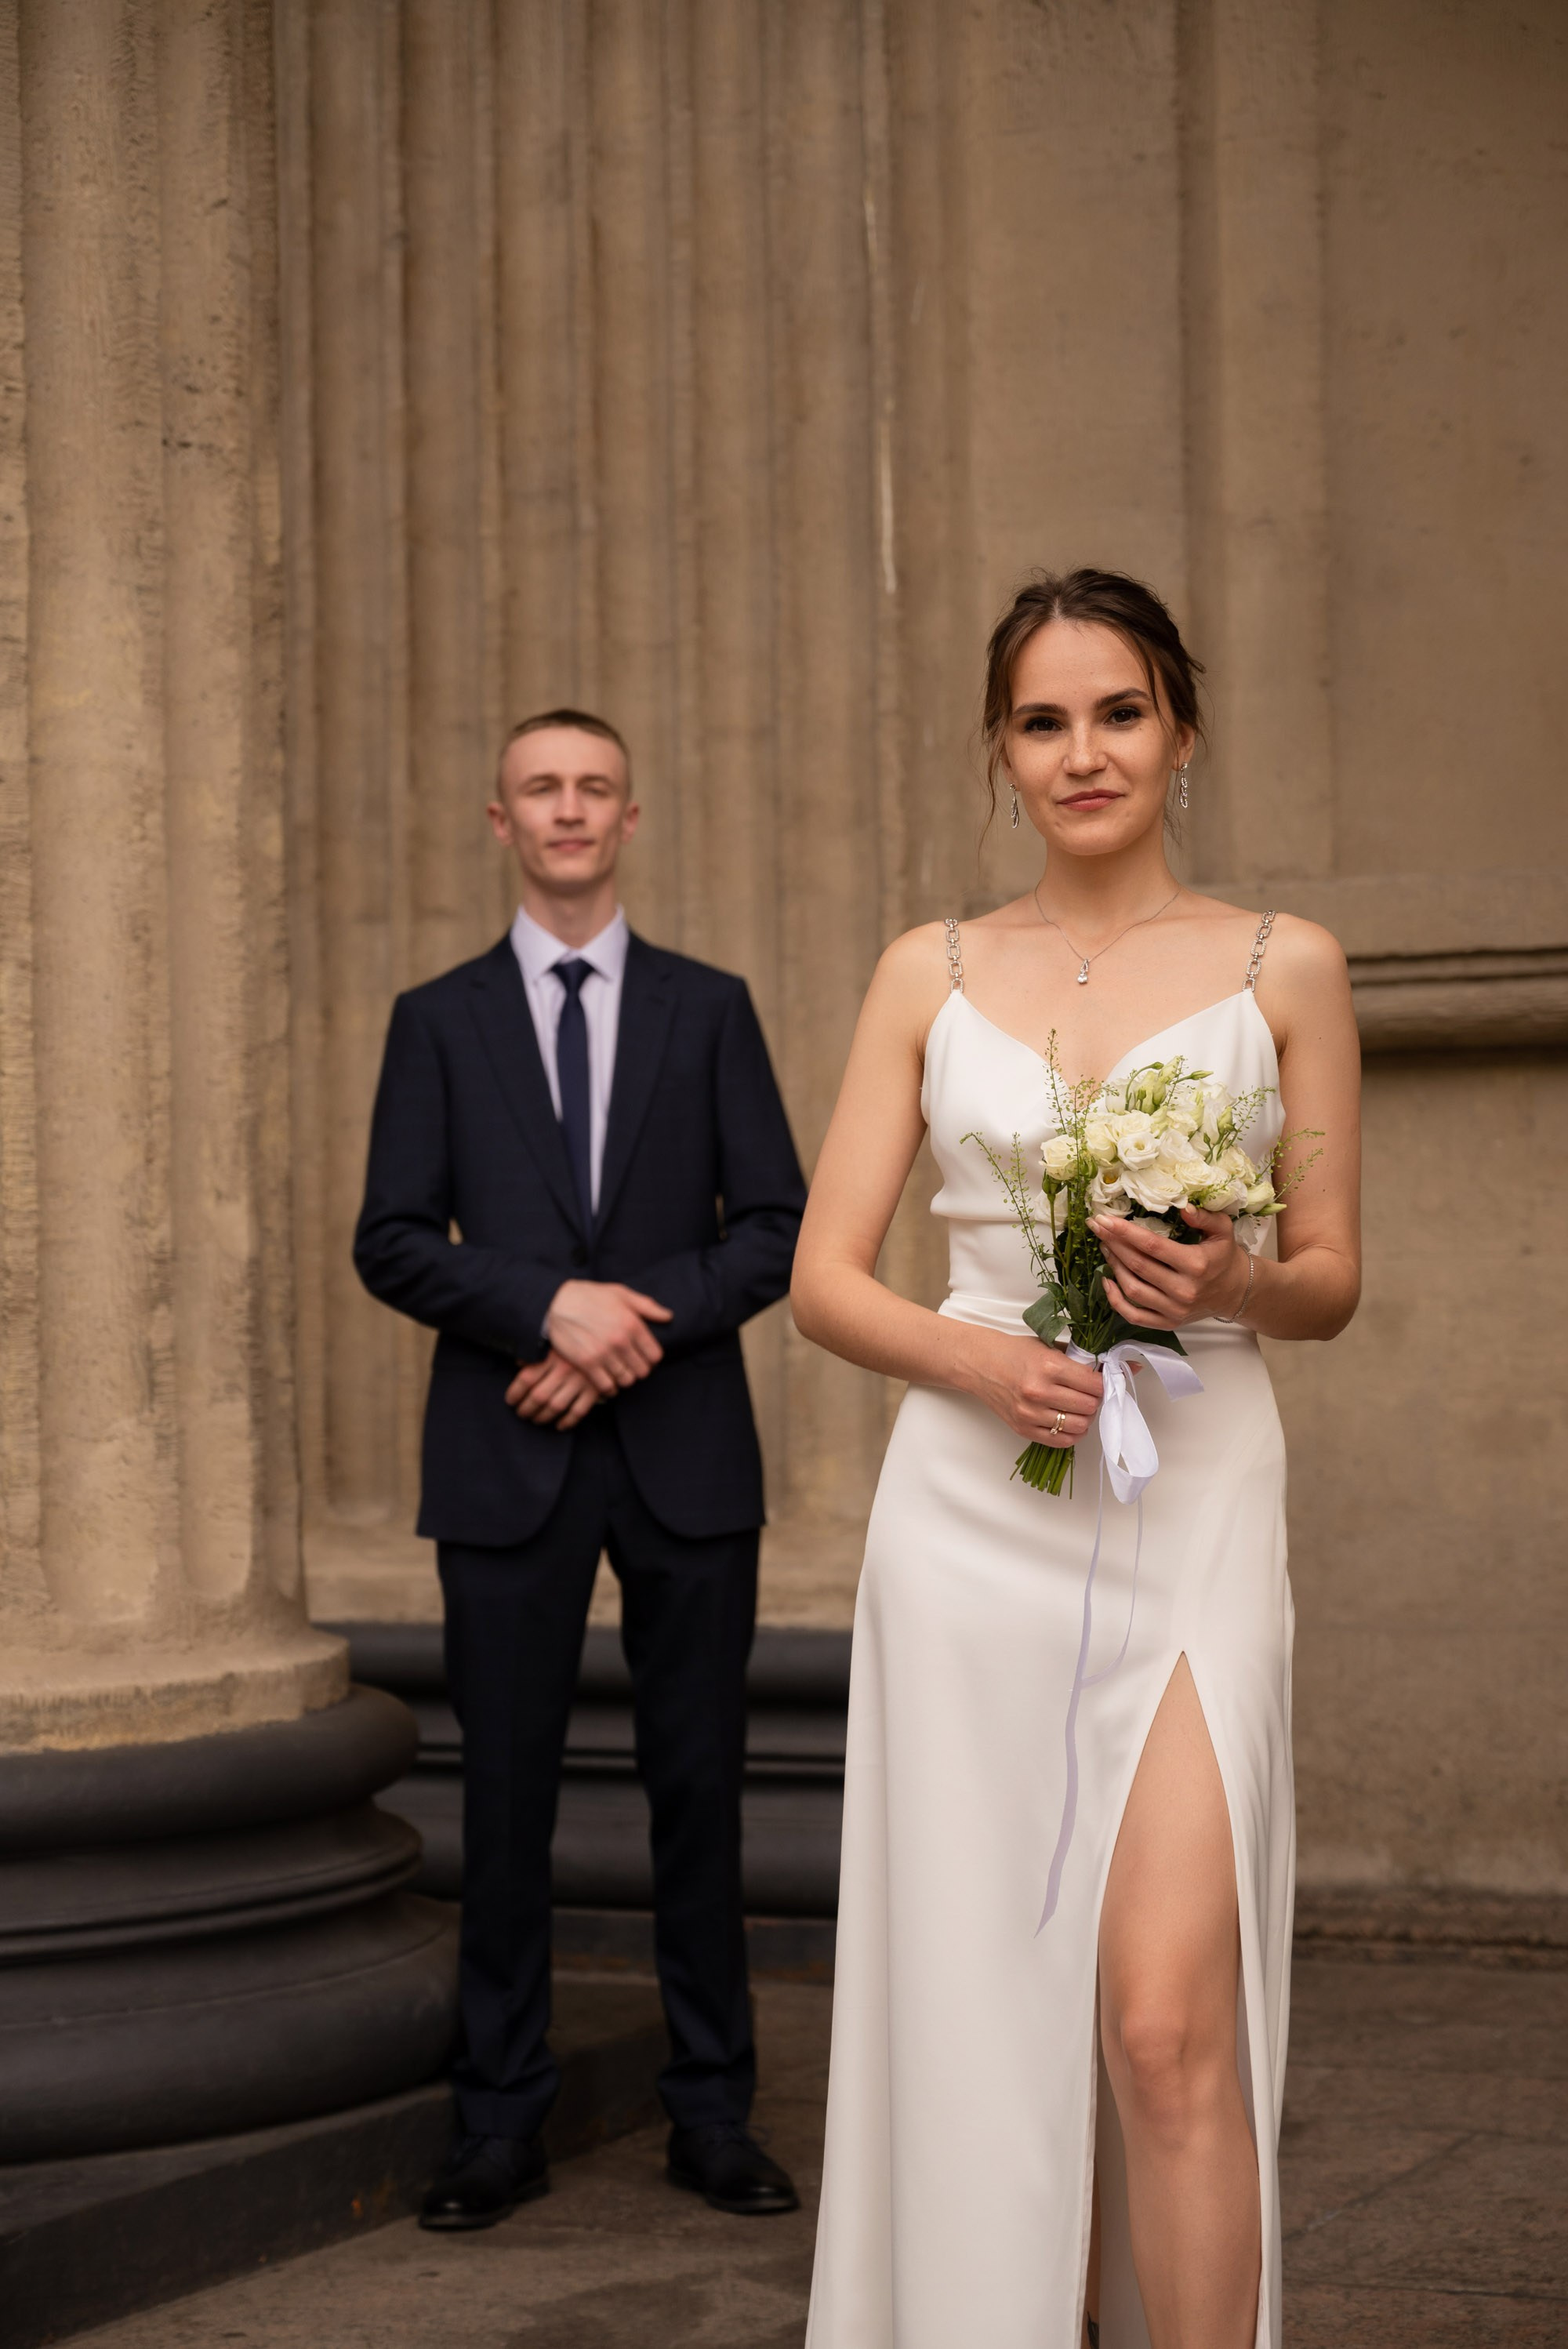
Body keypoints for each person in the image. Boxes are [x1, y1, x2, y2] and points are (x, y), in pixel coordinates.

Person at [792, 573, 1361, 2349]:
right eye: (1043, 721)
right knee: (989, 2006)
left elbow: (1332, 1280)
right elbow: (819, 1282)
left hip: (1193, 1495)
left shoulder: (1289, 966)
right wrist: (980, 1356)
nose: (1082, 751)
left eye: (1118, 711)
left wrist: (1236, 1278)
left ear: (1179, 730)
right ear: (1001, 751)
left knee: (1162, 2023)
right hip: (971, 1518)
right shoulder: (926, 971)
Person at [354, 709, 806, 2228]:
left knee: (701, 1792)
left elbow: (777, 1226)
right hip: (506, 1453)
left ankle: (713, 2113)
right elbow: (394, 1237)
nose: (568, 809)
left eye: (594, 787)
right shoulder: (437, 1018)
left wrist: (628, 1325)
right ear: (501, 820)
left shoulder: (711, 1007)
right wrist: (540, 1305)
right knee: (505, 1801)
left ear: (630, 814)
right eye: (541, 788)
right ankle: (497, 2124)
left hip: (684, 1457)